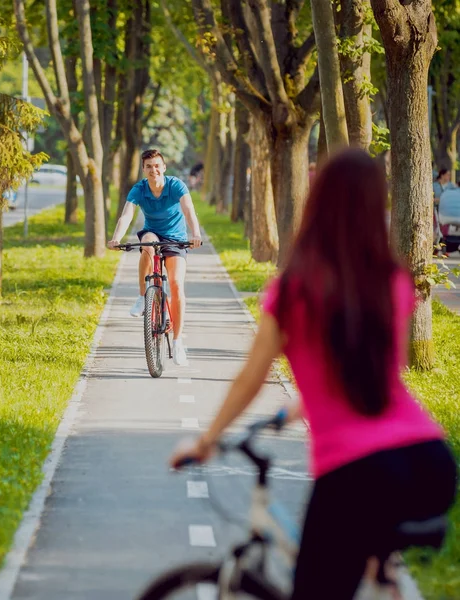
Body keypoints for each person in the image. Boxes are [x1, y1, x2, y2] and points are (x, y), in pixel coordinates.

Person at [170, 149, 457, 599]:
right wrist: (303, 405)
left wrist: (207, 441)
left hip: (356, 470)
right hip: (429, 461)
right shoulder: (393, 282)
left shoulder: (294, 289)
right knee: (374, 569)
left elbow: (251, 378)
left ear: (316, 200)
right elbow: (382, 373)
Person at [108, 149, 202, 366]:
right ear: (143, 169)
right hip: (153, 233)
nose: (153, 170)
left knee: (177, 285)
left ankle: (178, 343)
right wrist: (116, 238)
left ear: (164, 167)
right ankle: (143, 297)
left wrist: (195, 234)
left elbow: (189, 210)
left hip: (176, 239)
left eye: (157, 165)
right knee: (147, 244)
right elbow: (127, 215)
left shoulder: (175, 185)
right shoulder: (139, 189)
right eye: (149, 166)